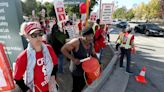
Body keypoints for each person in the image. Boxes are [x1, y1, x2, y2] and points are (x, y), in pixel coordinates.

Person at [14, 22, 58, 92]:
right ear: (27, 37)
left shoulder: (48, 49)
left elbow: (55, 64)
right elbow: (17, 78)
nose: (38, 37)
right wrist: (27, 90)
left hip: (51, 88)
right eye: (34, 35)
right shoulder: (23, 57)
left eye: (40, 34)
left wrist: (53, 77)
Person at [61, 27, 98, 92]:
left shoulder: (91, 43)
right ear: (83, 36)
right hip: (76, 70)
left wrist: (98, 64)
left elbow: (94, 54)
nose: (91, 38)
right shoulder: (76, 42)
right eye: (89, 36)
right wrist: (73, 59)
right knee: (76, 88)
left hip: (86, 70)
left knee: (82, 85)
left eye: (92, 35)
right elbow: (63, 49)